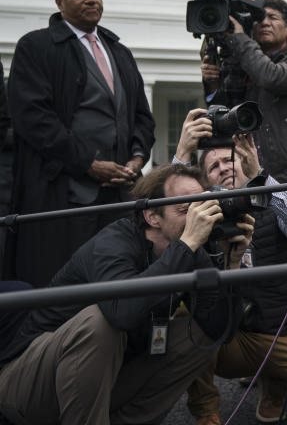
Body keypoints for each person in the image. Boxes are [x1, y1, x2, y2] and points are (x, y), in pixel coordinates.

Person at [0, 163, 252, 424]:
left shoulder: (189, 252)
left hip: (104, 379)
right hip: (28, 387)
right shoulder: (111, 245)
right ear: (152, 216)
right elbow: (123, 313)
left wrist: (231, 262)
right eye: (185, 209)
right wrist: (186, 244)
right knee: (100, 322)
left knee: (200, 335)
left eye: (201, 206)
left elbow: (220, 330)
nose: (197, 217)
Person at [173, 111, 287, 424]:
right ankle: (206, 410)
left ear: (244, 162)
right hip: (229, 337)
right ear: (204, 180)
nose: (224, 167)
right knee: (184, 319)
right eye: (214, 166)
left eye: (230, 160)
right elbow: (168, 210)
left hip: (281, 328)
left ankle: (275, 382)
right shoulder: (198, 214)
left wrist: (263, 178)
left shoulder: (270, 196)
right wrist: (182, 153)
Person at [6, 0, 155, 287]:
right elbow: (34, 119)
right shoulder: (36, 47)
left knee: (119, 281)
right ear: (59, 3)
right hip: (64, 197)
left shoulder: (120, 52)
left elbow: (142, 116)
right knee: (63, 287)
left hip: (120, 196)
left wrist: (137, 159)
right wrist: (89, 164)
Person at [202, 0, 287, 346]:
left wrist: (240, 38)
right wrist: (214, 82)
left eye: (271, 18)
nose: (262, 23)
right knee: (261, 272)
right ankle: (270, 349)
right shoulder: (250, 67)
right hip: (263, 181)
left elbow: (272, 77)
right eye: (257, 20)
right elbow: (226, 113)